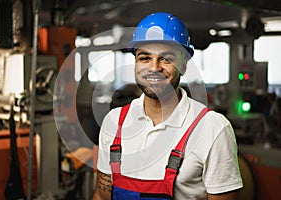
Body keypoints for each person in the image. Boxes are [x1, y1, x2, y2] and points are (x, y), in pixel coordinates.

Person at [92, 12, 243, 200]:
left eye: (166, 59)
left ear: (184, 65)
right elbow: (102, 194)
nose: (154, 68)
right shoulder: (114, 122)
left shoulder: (213, 128)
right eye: (145, 58)